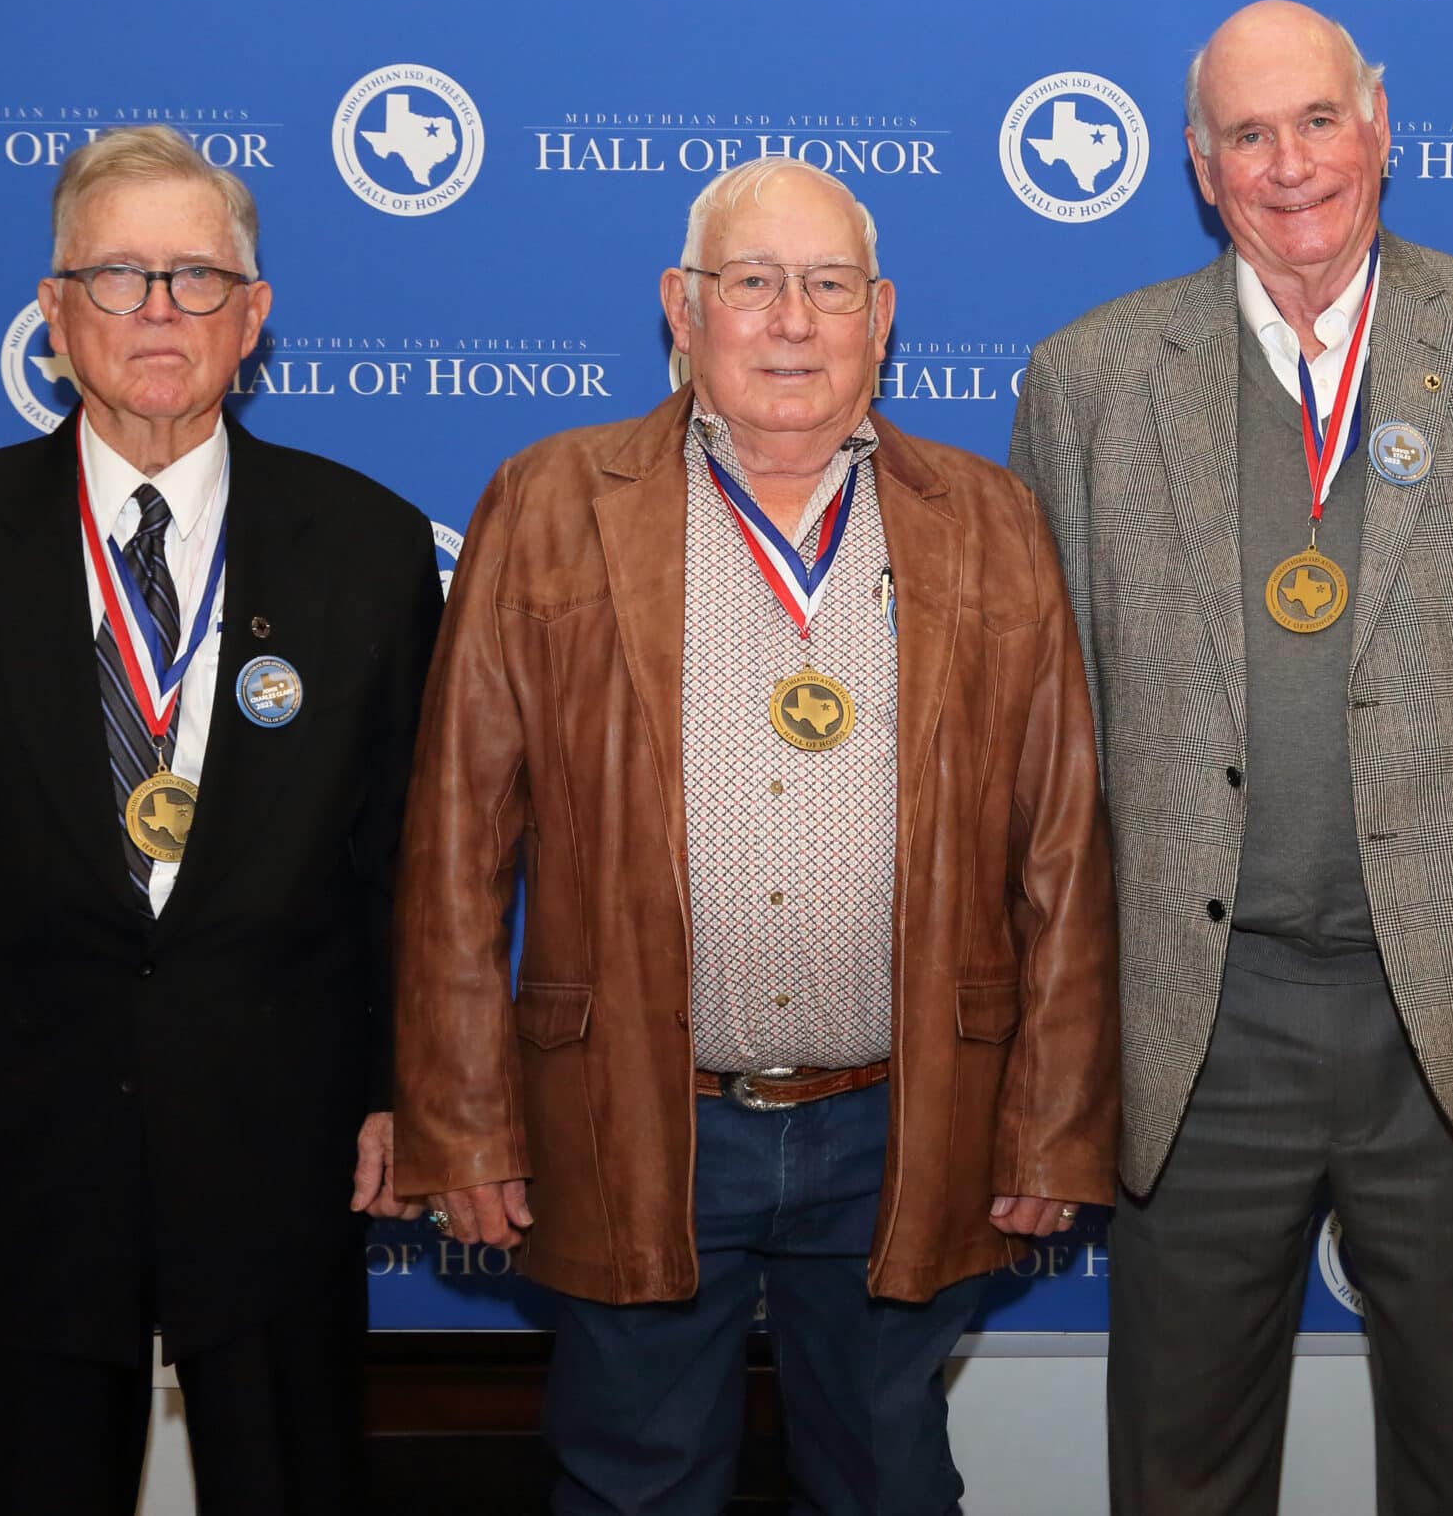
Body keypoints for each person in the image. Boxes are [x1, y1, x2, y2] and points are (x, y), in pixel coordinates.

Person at [392, 156, 1118, 1516]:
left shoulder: (989, 520)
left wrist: (1057, 1122)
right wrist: (464, 1120)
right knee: (636, 1483)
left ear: (881, 315)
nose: (791, 320)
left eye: (828, 286)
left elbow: (1063, 848)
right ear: (683, 307)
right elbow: (453, 840)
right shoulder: (548, 503)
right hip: (636, 1113)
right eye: (752, 284)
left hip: (906, 1118)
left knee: (889, 1479)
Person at [1011, 0, 1453, 1514]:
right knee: (1183, 1466)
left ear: (1380, 126)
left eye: (1316, 121)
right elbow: (1036, 744)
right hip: (1196, 1023)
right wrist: (1052, 1014)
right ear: (1198, 164)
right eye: (1248, 133)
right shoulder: (1090, 378)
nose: (1288, 164)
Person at [0, 124, 444, 1514]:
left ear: (256, 314)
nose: (162, 311)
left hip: (285, 1153)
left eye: (199, 277)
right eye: (119, 275)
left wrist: (411, 1089)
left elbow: (410, 859)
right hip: (10, 1156)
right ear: (53, 309)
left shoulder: (372, 544)